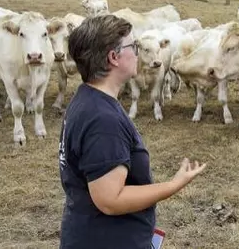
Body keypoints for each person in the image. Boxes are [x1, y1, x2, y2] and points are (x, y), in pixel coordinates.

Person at [57, 14, 207, 249]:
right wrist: (174, 184)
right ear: (113, 57)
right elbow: (110, 200)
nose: (137, 53)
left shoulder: (87, 99)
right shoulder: (102, 120)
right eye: (134, 46)